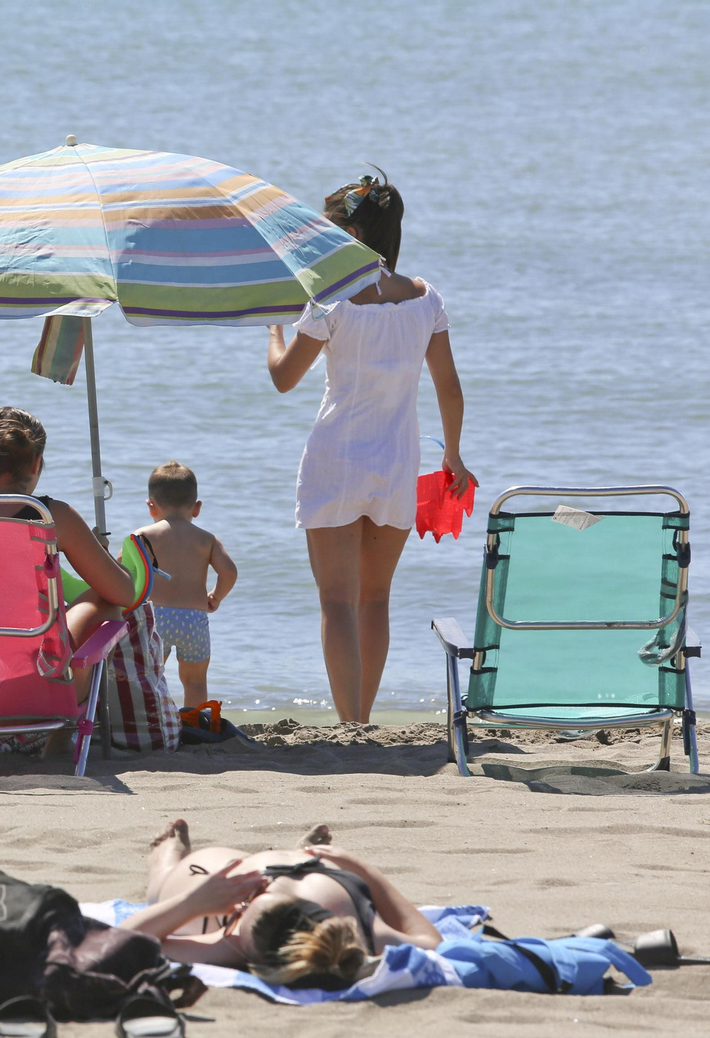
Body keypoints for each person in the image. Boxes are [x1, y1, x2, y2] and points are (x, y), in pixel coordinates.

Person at [266, 169, 478, 723]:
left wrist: (274, 332)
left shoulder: (330, 298)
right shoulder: (425, 298)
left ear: (353, 234)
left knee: (337, 600)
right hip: (396, 460)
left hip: (336, 457)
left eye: (330, 227)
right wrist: (452, 455)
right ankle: (363, 716)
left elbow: (284, 379)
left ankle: (349, 726)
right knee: (375, 599)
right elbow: (449, 387)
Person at [0, 407, 141, 745]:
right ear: (36, 463)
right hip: (31, 689)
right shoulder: (52, 517)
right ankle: (59, 737)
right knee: (106, 601)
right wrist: (106, 558)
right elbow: (124, 594)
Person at [120, 818, 441, 987]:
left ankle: (163, 864)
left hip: (224, 871)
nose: (241, 908)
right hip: (324, 873)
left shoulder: (229, 943)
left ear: (250, 956)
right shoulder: (362, 931)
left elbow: (123, 943)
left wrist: (193, 903)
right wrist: (366, 872)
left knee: (164, 890)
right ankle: (297, 853)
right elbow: (431, 942)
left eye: (241, 913)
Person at [132, 462, 237, 709]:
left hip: (156, 618)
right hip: (194, 619)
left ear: (151, 506)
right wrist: (216, 597)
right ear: (197, 507)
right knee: (195, 681)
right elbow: (229, 572)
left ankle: (155, 719)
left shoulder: (143, 536)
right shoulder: (206, 539)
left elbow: (120, 568)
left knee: (151, 675)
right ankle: (194, 725)